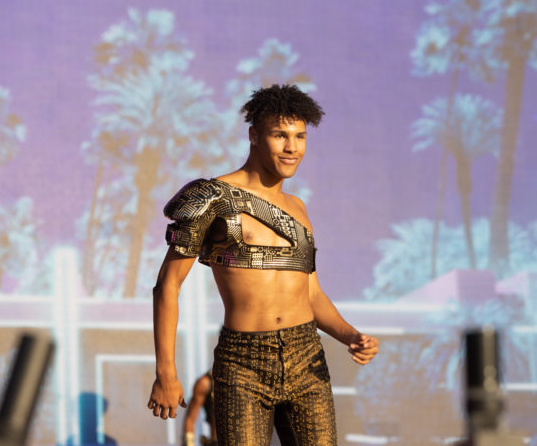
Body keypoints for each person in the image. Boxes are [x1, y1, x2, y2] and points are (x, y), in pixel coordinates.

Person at [148, 84, 380, 446]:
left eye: (300, 136)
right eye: (280, 135)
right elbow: (168, 286)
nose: (292, 147)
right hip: (243, 363)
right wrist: (166, 372)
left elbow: (312, 295)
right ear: (254, 136)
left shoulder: (298, 208)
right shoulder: (212, 197)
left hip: (307, 357)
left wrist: (351, 336)